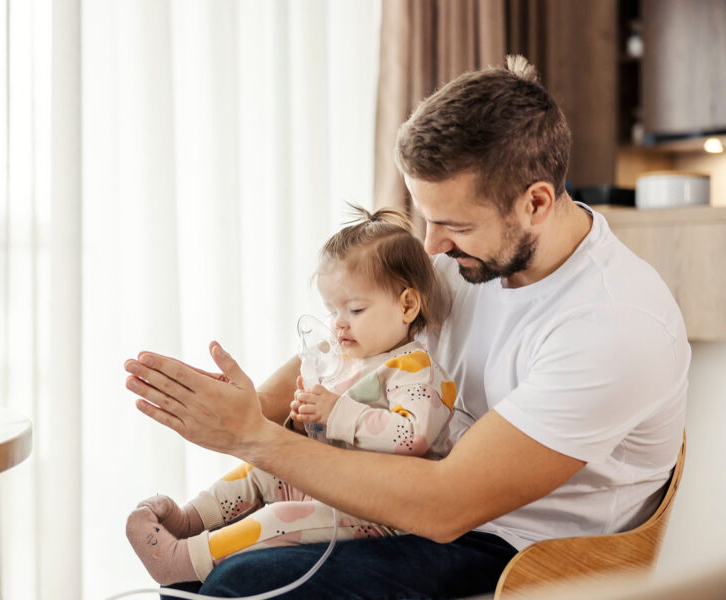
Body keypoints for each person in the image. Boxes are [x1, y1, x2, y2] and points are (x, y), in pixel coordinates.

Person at [124, 55, 689, 599]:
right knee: (211, 554)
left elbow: (448, 505)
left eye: (453, 224)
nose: (432, 246)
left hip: (518, 548)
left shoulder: (613, 326)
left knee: (243, 582)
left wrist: (252, 435)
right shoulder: (466, 262)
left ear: (536, 203)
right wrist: (240, 405)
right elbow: (355, 341)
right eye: (426, 216)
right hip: (423, 493)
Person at [126, 206, 460, 585]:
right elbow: (326, 438)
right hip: (332, 486)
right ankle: (190, 520)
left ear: (407, 305)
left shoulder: (414, 367)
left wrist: (336, 413)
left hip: (380, 511)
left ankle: (186, 562)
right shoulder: (351, 364)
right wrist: (302, 421)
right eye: (332, 309)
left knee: (279, 518)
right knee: (260, 468)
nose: (339, 324)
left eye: (355, 308)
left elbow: (412, 436)